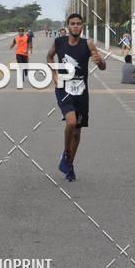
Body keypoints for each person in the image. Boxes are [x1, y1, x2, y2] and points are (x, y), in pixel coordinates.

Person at [47, 12, 106, 182]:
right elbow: (49, 57)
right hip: (63, 88)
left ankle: (70, 165)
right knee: (71, 122)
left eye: (78, 24)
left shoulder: (88, 44)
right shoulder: (59, 42)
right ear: (67, 26)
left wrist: (100, 61)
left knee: (77, 132)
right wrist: (54, 73)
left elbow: (102, 66)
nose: (75, 26)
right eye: (72, 23)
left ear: (82, 26)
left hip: (81, 91)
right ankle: (66, 154)